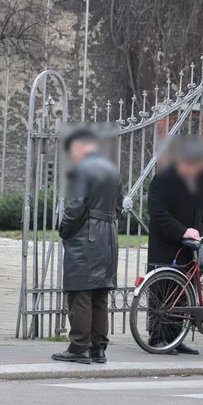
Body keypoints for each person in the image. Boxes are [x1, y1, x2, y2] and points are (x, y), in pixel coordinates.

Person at [147, 135, 203, 355]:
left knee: (183, 292)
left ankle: (176, 338)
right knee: (163, 293)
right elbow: (158, 214)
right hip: (166, 245)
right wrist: (182, 231)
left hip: (191, 246)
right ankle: (159, 338)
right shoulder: (163, 180)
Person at [52, 128, 121, 365]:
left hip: (86, 237)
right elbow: (120, 206)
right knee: (100, 293)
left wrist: (65, 230)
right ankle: (98, 348)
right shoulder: (112, 170)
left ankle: (79, 347)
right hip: (108, 237)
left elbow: (75, 207)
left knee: (80, 293)